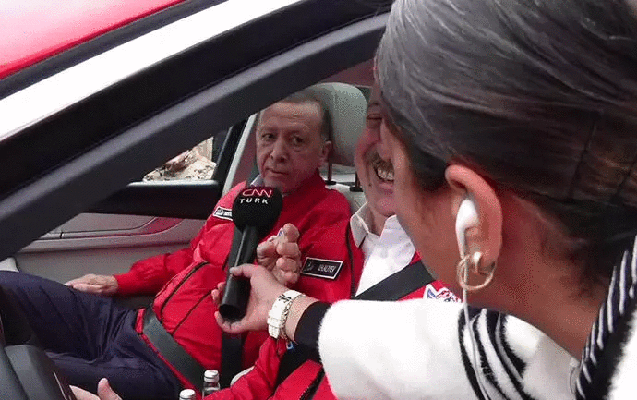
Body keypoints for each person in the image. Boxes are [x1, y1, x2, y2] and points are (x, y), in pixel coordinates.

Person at [207, 0, 637, 399]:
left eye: (395, 154)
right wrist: (283, 306)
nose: (380, 157)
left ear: (475, 223)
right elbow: (438, 350)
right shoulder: (557, 338)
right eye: (373, 119)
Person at [71, 73, 460, 400]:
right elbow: (261, 380)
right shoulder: (325, 243)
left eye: (411, 127)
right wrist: (121, 282)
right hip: (138, 325)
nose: (389, 146)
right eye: (375, 120)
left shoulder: (466, 284)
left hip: (170, 364)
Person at [0, 87, 356, 400]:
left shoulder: (331, 218)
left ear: (323, 153)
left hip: (172, 371)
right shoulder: (240, 197)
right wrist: (119, 282)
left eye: (296, 141)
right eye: (268, 137)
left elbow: (310, 327)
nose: (277, 152)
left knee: (16, 372)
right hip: (131, 324)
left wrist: (284, 285)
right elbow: (189, 257)